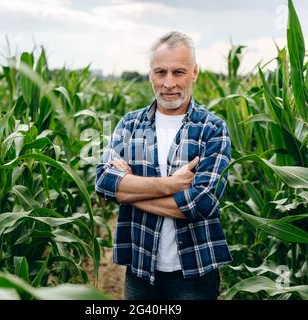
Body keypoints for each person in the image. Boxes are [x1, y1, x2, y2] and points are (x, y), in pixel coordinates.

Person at [95, 31, 232, 300]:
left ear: (194, 72)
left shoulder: (213, 128)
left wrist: (130, 193)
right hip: (141, 269)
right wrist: (170, 185)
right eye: (161, 72)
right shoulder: (130, 125)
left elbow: (202, 202)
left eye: (178, 72)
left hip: (195, 270)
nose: (169, 83)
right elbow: (103, 182)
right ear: (150, 74)